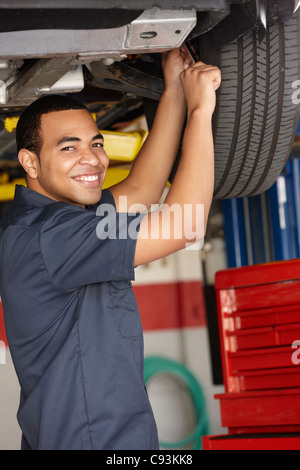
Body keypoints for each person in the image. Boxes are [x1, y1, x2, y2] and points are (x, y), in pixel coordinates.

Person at [0, 46, 221, 450]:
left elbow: (141, 189)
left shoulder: (54, 220)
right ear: (30, 163)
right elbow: (185, 225)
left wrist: (174, 89)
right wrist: (201, 112)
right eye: (68, 148)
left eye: (96, 144)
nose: (92, 160)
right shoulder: (54, 237)